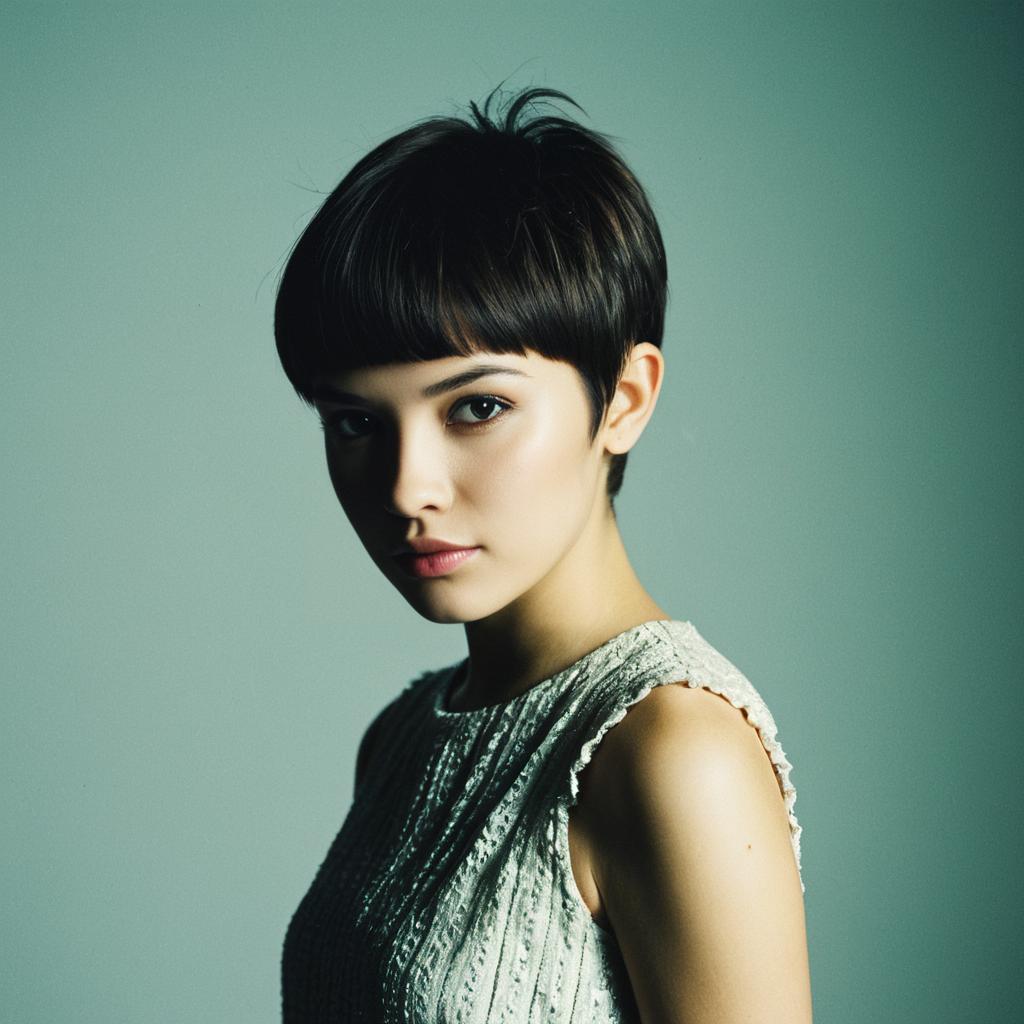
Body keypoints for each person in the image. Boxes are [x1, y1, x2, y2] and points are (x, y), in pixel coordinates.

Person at [274, 84, 812, 1023]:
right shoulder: (402, 737)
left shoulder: (674, 751)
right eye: (356, 421)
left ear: (625, 399)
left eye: (477, 407)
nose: (408, 487)